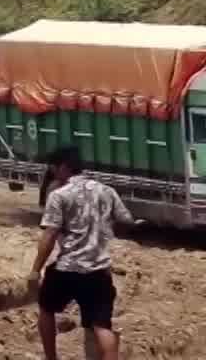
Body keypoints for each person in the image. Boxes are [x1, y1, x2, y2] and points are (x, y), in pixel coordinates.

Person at [31, 147, 136, 360]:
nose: (53, 172)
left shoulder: (59, 195)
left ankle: (51, 358)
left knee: (46, 308)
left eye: (54, 167)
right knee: (102, 325)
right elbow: (127, 221)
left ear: (63, 166)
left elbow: (50, 235)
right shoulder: (106, 191)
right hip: (98, 270)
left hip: (67, 268)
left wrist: (36, 269)